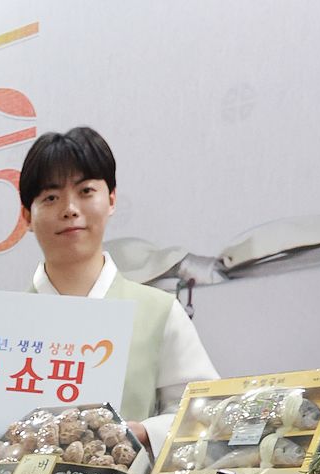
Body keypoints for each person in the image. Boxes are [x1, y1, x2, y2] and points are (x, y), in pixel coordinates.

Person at [19, 127, 216, 455]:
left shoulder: (158, 311)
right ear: (27, 215)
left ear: (111, 200)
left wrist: (145, 432)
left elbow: (206, 409)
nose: (70, 209)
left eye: (85, 191)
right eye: (51, 197)